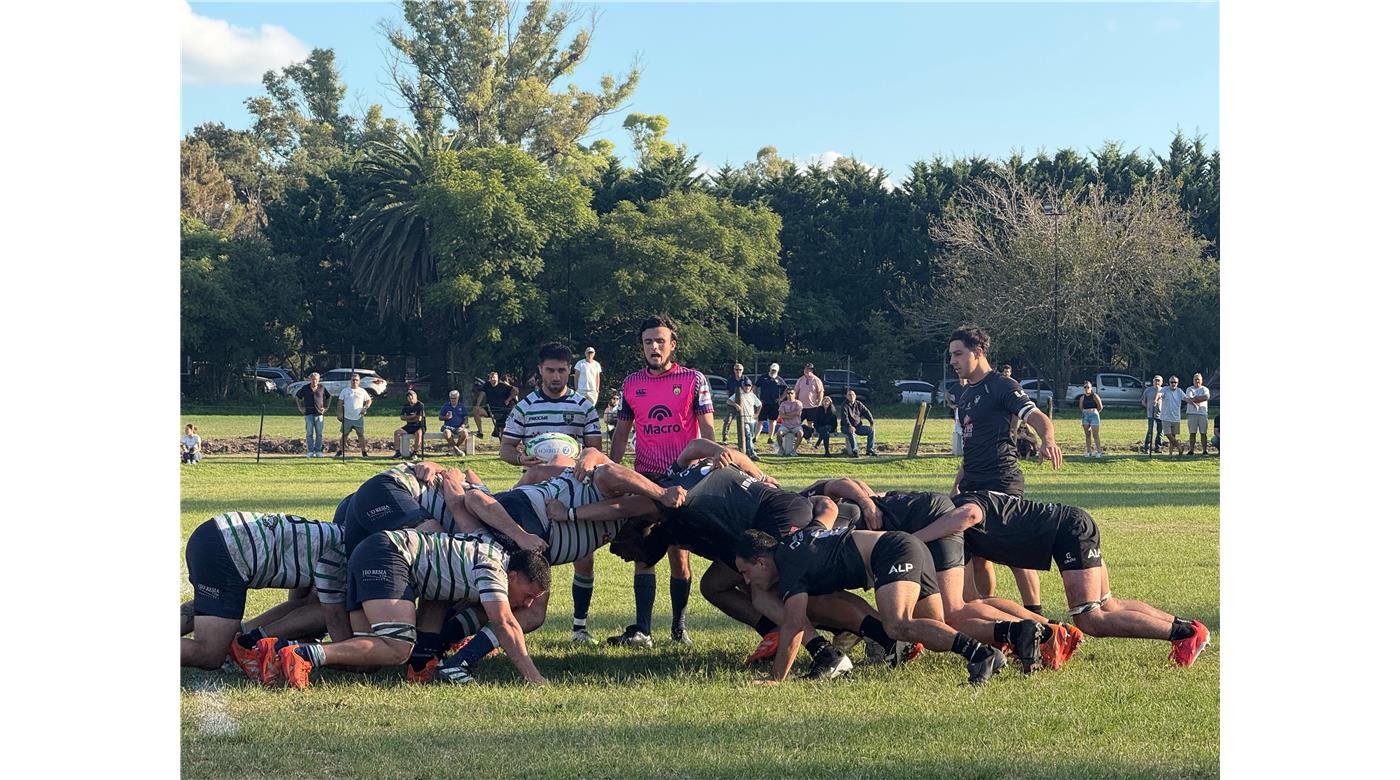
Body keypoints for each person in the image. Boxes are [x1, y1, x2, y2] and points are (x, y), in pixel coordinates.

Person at [799, 478, 1082, 674]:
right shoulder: (796, 511)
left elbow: (843, 484)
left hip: (923, 522)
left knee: (950, 615)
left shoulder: (795, 512)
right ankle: (1052, 629)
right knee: (964, 605)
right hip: (924, 512)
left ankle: (1034, 634)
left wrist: (869, 504)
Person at [905, 489, 1212, 668]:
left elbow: (967, 515)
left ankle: (1183, 636)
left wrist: (913, 539)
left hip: (1068, 530)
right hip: (1071, 524)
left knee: (1091, 619)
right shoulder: (959, 535)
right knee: (1110, 605)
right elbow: (972, 600)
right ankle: (1189, 628)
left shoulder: (961, 508)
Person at [274, 532, 553, 689]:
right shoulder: (494, 570)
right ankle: (303, 654)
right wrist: (534, 678)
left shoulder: (488, 559)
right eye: (529, 595)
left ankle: (275, 651)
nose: (528, 604)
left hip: (374, 550)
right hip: (386, 555)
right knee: (397, 647)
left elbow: (436, 599)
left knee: (364, 662)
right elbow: (504, 622)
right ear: (514, 575)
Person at [734, 527, 1008, 686]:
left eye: (745, 572)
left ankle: (982, 655)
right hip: (905, 545)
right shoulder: (790, 551)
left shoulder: (788, 565)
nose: (747, 581)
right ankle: (1006, 639)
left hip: (892, 551)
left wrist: (776, 678)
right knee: (935, 633)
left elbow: (794, 625)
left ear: (761, 562)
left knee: (897, 624)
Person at [608, 314, 715, 648]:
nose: (654, 347)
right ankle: (642, 630)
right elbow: (622, 434)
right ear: (641, 346)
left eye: (659, 341)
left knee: (679, 556)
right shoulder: (630, 384)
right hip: (646, 479)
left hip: (682, 481)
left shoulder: (694, 380)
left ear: (673, 344)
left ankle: (679, 628)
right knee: (643, 553)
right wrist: (611, 472)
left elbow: (709, 432)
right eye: (647, 342)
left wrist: (713, 469)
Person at [947, 325, 1063, 618]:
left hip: (1002, 482)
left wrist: (1047, 438)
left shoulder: (1001, 385)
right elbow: (972, 445)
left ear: (979, 352)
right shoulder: (964, 395)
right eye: (950, 356)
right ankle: (996, 617)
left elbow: (1036, 416)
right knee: (978, 554)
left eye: (958, 354)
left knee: (1015, 555)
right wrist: (957, 483)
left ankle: (1037, 618)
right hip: (973, 485)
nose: (953, 361)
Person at [500, 342, 605, 643]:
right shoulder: (525, 407)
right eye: (550, 370)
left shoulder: (583, 407)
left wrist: (582, 459)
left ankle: (580, 627)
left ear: (569, 372)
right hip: (534, 492)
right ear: (540, 371)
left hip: (574, 489)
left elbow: (595, 449)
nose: (556, 376)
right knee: (528, 555)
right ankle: (513, 618)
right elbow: (506, 449)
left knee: (583, 554)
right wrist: (522, 459)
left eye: (561, 370)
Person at [181, 511, 342, 673]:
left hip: (214, 532)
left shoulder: (333, 537)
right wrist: (350, 651)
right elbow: (332, 615)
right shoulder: (341, 556)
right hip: (228, 549)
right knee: (210, 654)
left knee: (214, 603)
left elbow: (300, 604)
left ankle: (243, 638)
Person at [337, 372, 373, 459]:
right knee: (344, 435)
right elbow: (340, 403)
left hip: (358, 417)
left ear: (359, 381)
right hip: (347, 417)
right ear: (350, 381)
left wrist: (365, 408)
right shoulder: (345, 391)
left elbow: (369, 400)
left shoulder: (362, 391)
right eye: (353, 380)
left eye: (356, 380)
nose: (355, 381)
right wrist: (339, 413)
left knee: (360, 434)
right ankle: (340, 451)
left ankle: (364, 452)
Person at [295, 372, 331, 457]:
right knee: (309, 433)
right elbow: (297, 396)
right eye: (313, 379)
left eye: (316, 379)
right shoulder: (305, 388)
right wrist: (300, 408)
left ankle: (318, 451)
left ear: (318, 380)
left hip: (319, 414)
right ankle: (310, 451)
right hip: (308, 414)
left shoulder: (322, 387)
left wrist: (326, 407)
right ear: (310, 379)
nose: (314, 381)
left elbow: (329, 396)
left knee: (319, 434)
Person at [472, 372, 516, 439]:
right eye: (490, 378)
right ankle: (480, 432)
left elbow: (516, 390)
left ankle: (504, 445)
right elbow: (481, 395)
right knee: (476, 410)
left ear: (497, 378)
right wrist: (477, 405)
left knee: (502, 431)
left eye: (494, 377)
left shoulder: (503, 385)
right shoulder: (487, 385)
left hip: (502, 411)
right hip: (490, 409)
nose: (492, 379)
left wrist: (508, 400)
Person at [727, 377, 762, 458]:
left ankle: (747, 452)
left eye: (749, 386)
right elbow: (728, 401)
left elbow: (759, 404)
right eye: (746, 385)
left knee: (750, 437)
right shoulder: (738, 393)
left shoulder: (752, 395)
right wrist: (736, 405)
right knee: (748, 435)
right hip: (743, 419)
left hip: (752, 420)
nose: (747, 387)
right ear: (743, 386)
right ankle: (752, 453)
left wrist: (756, 414)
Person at [755, 363, 787, 444]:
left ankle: (770, 438)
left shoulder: (780, 380)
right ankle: (755, 437)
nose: (773, 371)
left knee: (772, 421)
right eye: (772, 370)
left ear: (777, 371)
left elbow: (786, 390)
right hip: (763, 403)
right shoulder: (763, 377)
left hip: (774, 404)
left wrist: (781, 399)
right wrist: (757, 399)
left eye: (775, 370)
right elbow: (755, 387)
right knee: (760, 420)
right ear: (770, 369)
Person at [841, 388, 877, 456]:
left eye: (853, 395)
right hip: (846, 427)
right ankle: (855, 451)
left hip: (858, 426)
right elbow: (844, 418)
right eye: (849, 395)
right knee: (851, 432)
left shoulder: (858, 404)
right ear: (847, 396)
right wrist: (849, 426)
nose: (851, 396)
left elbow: (866, 412)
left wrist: (871, 422)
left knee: (871, 430)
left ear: (855, 396)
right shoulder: (844, 405)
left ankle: (870, 450)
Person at [1159, 375, 1188, 456]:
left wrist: (1194, 404)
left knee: (1173, 437)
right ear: (1169, 383)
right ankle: (1179, 447)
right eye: (1172, 382)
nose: (1173, 383)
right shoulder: (1164, 389)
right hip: (1165, 417)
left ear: (1177, 383)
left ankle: (1170, 454)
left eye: (1175, 382)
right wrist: (1156, 399)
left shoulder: (1179, 391)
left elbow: (1186, 399)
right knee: (1168, 434)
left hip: (1176, 417)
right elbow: (1159, 394)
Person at [1184, 373, 1212, 455]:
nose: (1197, 381)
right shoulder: (1189, 389)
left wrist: (1195, 398)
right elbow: (1188, 399)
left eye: (1198, 379)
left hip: (1202, 414)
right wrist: (1200, 398)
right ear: (1193, 380)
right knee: (1192, 433)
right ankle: (1191, 450)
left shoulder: (1205, 389)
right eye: (1195, 379)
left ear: (1201, 380)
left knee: (1203, 433)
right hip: (1192, 413)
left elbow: (1206, 397)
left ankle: (1204, 450)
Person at [395, 389, 427, 458]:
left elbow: (419, 419)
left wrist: (407, 418)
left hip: (419, 426)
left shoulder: (420, 405)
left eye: (411, 396)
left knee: (418, 434)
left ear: (415, 396)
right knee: (397, 432)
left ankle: (415, 452)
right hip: (409, 426)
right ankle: (398, 453)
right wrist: (412, 416)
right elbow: (401, 417)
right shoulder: (406, 406)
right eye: (408, 397)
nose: (410, 398)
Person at [438, 389, 469, 456]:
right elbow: (440, 417)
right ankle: (457, 450)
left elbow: (466, 419)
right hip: (448, 427)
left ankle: (455, 449)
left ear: (458, 398)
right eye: (451, 398)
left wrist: (462, 426)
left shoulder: (462, 406)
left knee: (465, 433)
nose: (453, 400)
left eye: (454, 398)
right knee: (446, 432)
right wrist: (446, 417)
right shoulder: (446, 406)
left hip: (459, 427)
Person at [776, 387, 804, 455]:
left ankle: (794, 450)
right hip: (785, 426)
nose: (790, 395)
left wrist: (786, 415)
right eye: (788, 393)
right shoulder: (783, 404)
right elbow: (781, 416)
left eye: (792, 393)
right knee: (779, 434)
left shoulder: (798, 403)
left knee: (800, 433)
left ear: (795, 394)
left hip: (796, 425)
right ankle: (781, 449)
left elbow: (798, 413)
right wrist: (792, 414)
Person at [721, 363, 746, 444]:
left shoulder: (746, 379)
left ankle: (745, 437)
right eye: (736, 369)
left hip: (743, 403)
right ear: (734, 370)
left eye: (740, 370)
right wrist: (731, 401)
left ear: (743, 370)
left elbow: (749, 390)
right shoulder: (730, 379)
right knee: (728, 420)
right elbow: (727, 391)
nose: (738, 371)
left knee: (744, 420)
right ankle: (725, 437)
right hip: (732, 402)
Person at [795, 363, 825, 429]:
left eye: (809, 369)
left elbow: (820, 392)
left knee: (810, 423)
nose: (807, 371)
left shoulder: (816, 380)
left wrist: (819, 402)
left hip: (812, 406)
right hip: (801, 406)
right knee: (797, 422)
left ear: (812, 370)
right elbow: (796, 391)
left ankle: (809, 437)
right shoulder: (800, 380)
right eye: (805, 369)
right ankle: (797, 436)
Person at [1079, 381, 1104, 457]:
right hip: (1085, 416)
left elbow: (1100, 406)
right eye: (1085, 387)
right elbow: (1081, 407)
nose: (1086, 389)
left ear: (1091, 388)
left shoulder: (1095, 396)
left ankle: (1099, 451)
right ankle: (1089, 451)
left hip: (1094, 415)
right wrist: (1085, 412)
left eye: (1088, 387)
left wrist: (1095, 411)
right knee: (1087, 434)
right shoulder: (1082, 397)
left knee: (1095, 434)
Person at [1141, 375, 1165, 453]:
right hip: (1150, 414)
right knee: (1150, 431)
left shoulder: (1164, 390)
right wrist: (1148, 407)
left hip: (1161, 415)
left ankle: (1158, 447)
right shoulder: (1148, 390)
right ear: (1153, 381)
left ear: (1161, 382)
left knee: (1160, 432)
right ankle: (1147, 447)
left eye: (1158, 381)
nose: (1157, 382)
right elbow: (1143, 401)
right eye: (1155, 380)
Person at [948, 378, 968, 457]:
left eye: (964, 379)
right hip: (958, 409)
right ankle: (959, 448)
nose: (962, 380)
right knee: (958, 427)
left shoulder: (970, 386)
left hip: (967, 409)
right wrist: (950, 404)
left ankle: (966, 449)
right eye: (961, 379)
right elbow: (947, 394)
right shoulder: (956, 386)